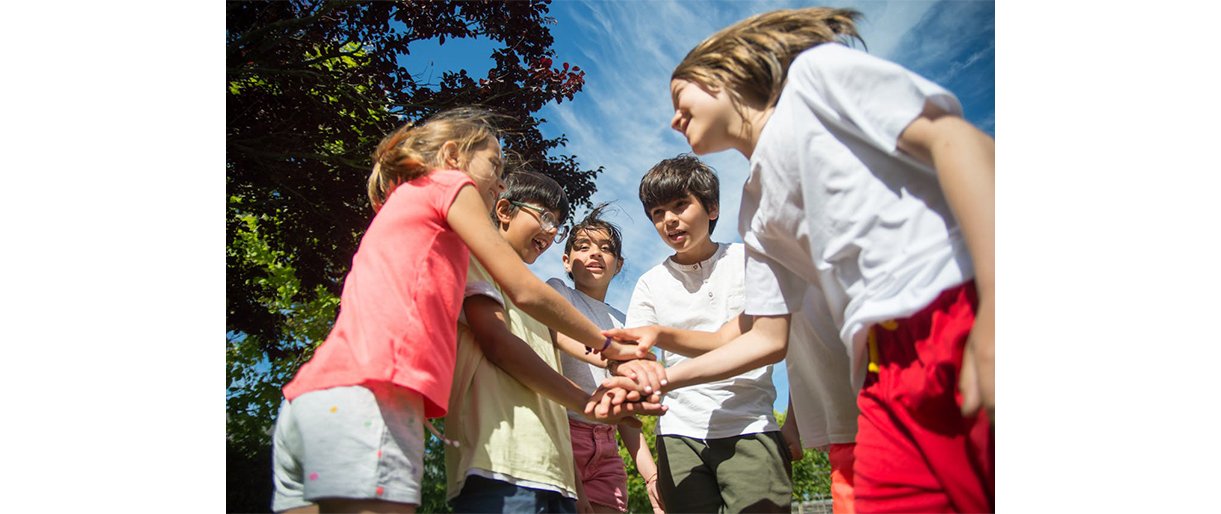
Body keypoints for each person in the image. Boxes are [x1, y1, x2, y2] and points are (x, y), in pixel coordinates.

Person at [602, 7, 995, 513]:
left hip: (951, 310)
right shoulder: (756, 208)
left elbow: (957, 140)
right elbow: (764, 337)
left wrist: (995, 305)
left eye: (681, 99)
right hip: (878, 364)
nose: (674, 119)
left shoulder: (813, 80)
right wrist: (660, 377)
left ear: (723, 78)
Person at [269, 107, 651, 514]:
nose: (500, 184)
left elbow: (541, 322)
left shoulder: (422, 222)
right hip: (372, 397)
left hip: (315, 396)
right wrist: (609, 346)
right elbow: (523, 291)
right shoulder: (447, 183)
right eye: (494, 166)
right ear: (453, 155)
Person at [446, 172, 664, 514]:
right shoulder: (531, 289)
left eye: (557, 226)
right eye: (546, 218)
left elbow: (562, 342)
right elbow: (510, 342)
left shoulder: (602, 317)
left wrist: (619, 360)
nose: (550, 232)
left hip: (554, 457)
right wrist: (595, 386)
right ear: (503, 210)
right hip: (503, 456)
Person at [625, 155, 792, 513]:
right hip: (678, 433)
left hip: (750, 422)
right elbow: (634, 355)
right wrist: (629, 370)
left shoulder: (750, 262)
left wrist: (792, 420)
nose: (669, 220)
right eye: (657, 213)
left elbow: (769, 341)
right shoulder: (649, 283)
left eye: (679, 205)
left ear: (712, 207)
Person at [545, 204, 666, 514]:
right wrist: (610, 357)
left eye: (605, 248)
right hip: (562, 432)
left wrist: (651, 475)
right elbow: (559, 334)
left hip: (607, 445)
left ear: (619, 264)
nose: (595, 254)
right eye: (583, 247)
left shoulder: (625, 323)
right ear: (566, 261)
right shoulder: (560, 293)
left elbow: (626, 414)